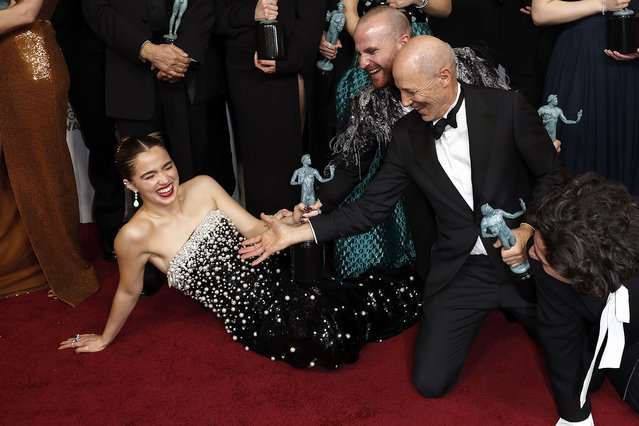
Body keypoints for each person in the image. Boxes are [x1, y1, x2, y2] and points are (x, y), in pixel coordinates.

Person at [240, 35, 563, 397]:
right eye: (400, 91)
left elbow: (552, 176)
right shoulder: (407, 135)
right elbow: (370, 208)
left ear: (444, 76)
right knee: (429, 384)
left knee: (586, 375)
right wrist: (295, 234)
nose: (405, 103)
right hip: (462, 269)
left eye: (410, 92)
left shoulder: (508, 108)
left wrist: (529, 230)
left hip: (525, 260)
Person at [58, 134, 422, 369]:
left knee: (345, 307)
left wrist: (287, 222)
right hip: (251, 317)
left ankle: (425, 286)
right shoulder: (132, 236)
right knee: (324, 341)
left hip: (278, 273)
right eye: (149, 175)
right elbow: (128, 289)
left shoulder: (202, 186)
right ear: (130, 184)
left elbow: (253, 229)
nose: (165, 179)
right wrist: (105, 337)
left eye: (167, 166)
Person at [318, 5, 510, 280]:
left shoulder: (461, 68)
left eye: (371, 52)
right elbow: (351, 168)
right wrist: (317, 205)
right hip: (434, 225)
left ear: (403, 43)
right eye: (359, 54)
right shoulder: (371, 101)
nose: (361, 64)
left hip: (495, 211)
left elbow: (508, 117)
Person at [0, 0, 99, 305]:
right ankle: (20, 262)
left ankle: (64, 269)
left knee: (43, 169)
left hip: (28, 64)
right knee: (8, 173)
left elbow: (24, 13)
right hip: (7, 62)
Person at [527, 173, 639, 424]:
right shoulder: (548, 247)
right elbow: (558, 337)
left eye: (543, 260)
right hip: (603, 338)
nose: (531, 255)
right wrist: (574, 416)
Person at [214, 0, 325, 217]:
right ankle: (263, 237)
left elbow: (311, 20)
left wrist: (288, 63)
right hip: (242, 73)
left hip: (286, 70)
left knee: (286, 168)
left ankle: (289, 240)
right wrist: (251, 12)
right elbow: (215, 19)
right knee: (256, 171)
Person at [532, 0, 639, 196]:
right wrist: (603, 4)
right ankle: (574, 222)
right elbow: (541, 13)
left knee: (627, 144)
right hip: (580, 58)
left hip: (630, 62)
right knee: (578, 149)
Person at [332, 0, 452, 128]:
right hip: (373, 39)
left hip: (417, 37)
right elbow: (347, 10)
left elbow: (445, 8)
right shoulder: (368, 52)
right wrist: (372, 39)